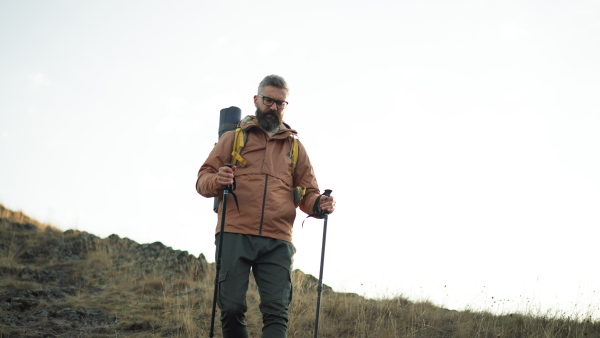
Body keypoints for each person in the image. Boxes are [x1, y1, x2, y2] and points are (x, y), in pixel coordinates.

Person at [196, 74, 336, 338]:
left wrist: (319, 204)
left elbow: (307, 192)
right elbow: (202, 180)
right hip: (234, 232)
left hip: (278, 240)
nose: (273, 107)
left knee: (277, 312)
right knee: (232, 307)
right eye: (268, 101)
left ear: (285, 106)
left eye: (280, 103)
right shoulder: (234, 138)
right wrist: (218, 179)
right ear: (256, 100)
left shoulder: (295, 147)